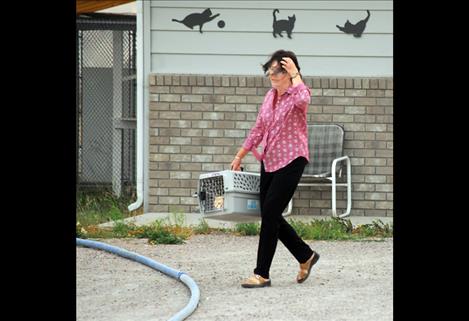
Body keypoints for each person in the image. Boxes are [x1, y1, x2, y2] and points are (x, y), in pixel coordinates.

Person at [230, 49, 320, 288]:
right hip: (269, 160)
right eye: (270, 69)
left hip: (292, 160)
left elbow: (305, 99)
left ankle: (262, 274)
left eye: (277, 70)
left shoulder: (298, 94)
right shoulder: (270, 97)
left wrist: (296, 75)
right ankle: (305, 256)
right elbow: (259, 128)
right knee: (270, 214)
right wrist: (240, 155)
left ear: (289, 72)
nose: (272, 73)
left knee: (270, 213)